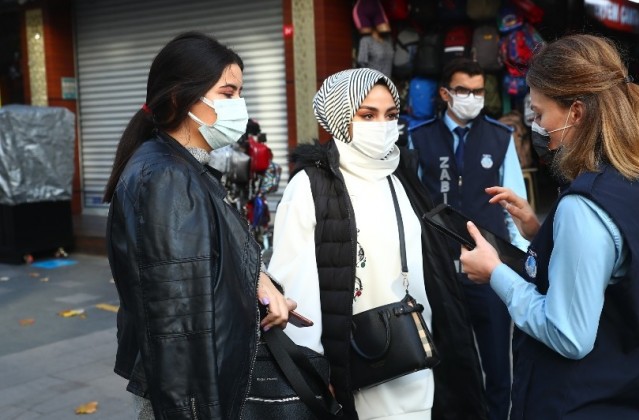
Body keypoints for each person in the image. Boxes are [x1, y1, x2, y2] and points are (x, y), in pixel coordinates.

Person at [460, 34, 639, 419]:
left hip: (577, 401)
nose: (537, 128)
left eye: (541, 114)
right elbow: (618, 267)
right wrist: (537, 231)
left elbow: (568, 334)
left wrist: (495, 272)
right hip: (633, 393)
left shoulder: (585, 206)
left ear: (576, 112)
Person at [267, 68, 487, 420]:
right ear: (340, 118)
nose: (382, 125)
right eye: (367, 115)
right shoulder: (310, 188)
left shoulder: (402, 177)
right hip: (359, 372)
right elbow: (297, 295)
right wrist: (316, 377)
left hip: (423, 362)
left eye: (391, 115)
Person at [103, 32, 293, 419]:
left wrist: (260, 283)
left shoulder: (183, 167)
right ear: (178, 99)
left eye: (240, 92)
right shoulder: (166, 178)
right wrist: (192, 410)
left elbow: (206, 273)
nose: (240, 104)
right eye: (227, 93)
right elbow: (177, 322)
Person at [408, 57, 527, 420]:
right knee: (444, 359)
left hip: (490, 270)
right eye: (464, 91)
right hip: (438, 270)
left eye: (478, 91)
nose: (472, 97)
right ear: (445, 93)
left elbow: (515, 205)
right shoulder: (418, 137)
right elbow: (410, 204)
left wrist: (519, 262)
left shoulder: (499, 136)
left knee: (497, 363)